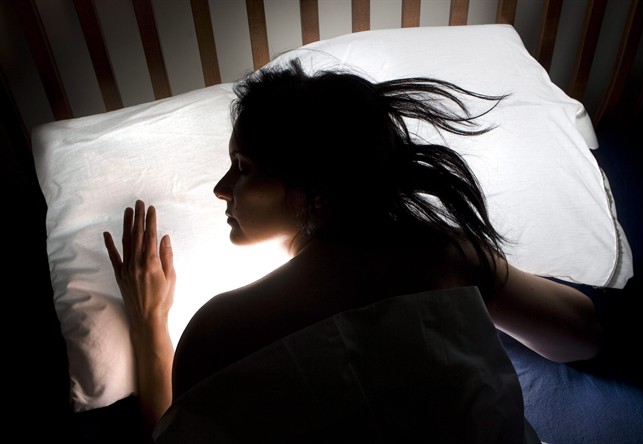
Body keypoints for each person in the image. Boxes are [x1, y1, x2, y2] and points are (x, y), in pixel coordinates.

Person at [103, 58, 602, 442]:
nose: (221, 188)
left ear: (313, 192)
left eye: (244, 167)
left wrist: (149, 323)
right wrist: (478, 280)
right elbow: (580, 335)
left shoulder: (214, 333)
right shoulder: (440, 256)